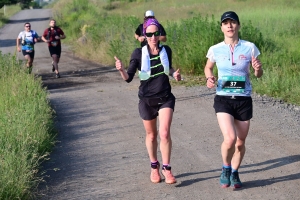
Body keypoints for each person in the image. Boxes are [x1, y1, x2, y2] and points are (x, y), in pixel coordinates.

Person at [115, 18, 181, 184]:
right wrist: (121, 69)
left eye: (156, 33)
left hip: (165, 97)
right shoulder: (138, 53)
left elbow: (170, 68)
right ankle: (154, 167)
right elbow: (128, 78)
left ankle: (167, 168)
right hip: (146, 100)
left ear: (159, 34)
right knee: (152, 135)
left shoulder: (166, 50)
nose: (153, 37)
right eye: (149, 34)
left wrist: (175, 74)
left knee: (164, 133)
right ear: (144, 35)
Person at [204, 11, 263, 189]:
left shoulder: (250, 47)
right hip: (223, 99)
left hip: (243, 99)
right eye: (226, 23)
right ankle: (226, 168)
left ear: (238, 25)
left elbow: (259, 74)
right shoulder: (215, 49)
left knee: (240, 142)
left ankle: (235, 172)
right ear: (221, 27)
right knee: (230, 138)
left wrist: (258, 69)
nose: (229, 26)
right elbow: (208, 67)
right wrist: (210, 78)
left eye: (233, 22)